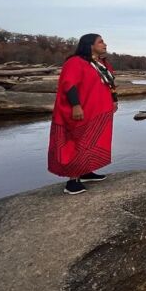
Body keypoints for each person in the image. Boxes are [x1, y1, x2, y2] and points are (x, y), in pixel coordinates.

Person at [47, 34, 118, 195]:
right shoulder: (75, 62)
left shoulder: (101, 63)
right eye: (101, 42)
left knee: (92, 140)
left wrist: (114, 100)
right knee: (77, 141)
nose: (105, 44)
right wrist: (76, 106)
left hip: (98, 111)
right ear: (89, 45)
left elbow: (110, 83)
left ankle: (86, 171)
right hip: (82, 111)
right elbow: (69, 84)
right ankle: (72, 181)